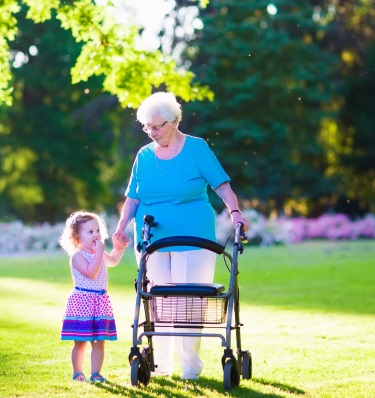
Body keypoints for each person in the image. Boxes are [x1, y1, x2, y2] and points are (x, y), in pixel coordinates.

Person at [112, 92, 250, 380]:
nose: (152, 132)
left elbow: (222, 186)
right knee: (157, 301)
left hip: (194, 236)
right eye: (146, 127)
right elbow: (133, 198)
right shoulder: (144, 155)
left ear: (174, 121)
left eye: (157, 126)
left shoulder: (197, 149)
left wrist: (235, 212)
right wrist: (121, 226)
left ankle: (190, 368)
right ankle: (161, 366)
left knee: (189, 301)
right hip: (152, 238)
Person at [59, 211, 129, 383]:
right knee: (81, 341)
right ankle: (77, 372)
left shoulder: (97, 252)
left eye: (97, 230)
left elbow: (112, 261)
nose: (96, 234)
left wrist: (119, 248)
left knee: (99, 341)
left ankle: (96, 373)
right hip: (83, 302)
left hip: (99, 301)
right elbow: (91, 272)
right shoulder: (78, 256)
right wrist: (99, 253)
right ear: (77, 238)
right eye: (90, 232)